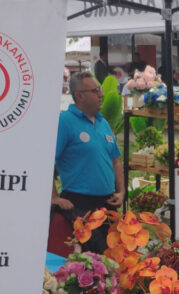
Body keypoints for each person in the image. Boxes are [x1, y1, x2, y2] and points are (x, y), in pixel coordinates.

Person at [53, 71, 125, 253]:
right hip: (79, 205)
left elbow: (116, 161)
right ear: (80, 96)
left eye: (99, 89)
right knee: (91, 260)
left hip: (107, 204)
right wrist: (54, 198)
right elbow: (45, 163)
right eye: (95, 91)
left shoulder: (103, 123)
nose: (101, 94)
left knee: (111, 257)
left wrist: (122, 191)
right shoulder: (65, 122)